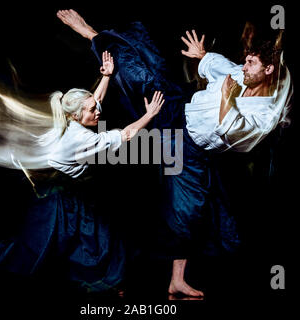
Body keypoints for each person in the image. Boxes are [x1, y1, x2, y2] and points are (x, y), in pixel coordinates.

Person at [56, 9, 292, 298]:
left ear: (268, 71)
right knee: (141, 70)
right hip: (178, 108)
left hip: (191, 147)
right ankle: (90, 33)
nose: (243, 67)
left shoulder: (265, 115)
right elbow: (223, 67)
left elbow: (232, 131)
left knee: (189, 211)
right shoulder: (243, 74)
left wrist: (228, 100)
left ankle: (176, 280)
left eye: (251, 63)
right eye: (245, 62)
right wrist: (204, 55)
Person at [0, 50, 165, 296]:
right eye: (92, 111)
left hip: (70, 194)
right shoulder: (82, 139)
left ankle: (112, 283)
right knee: (32, 245)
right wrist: (150, 114)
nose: (98, 111)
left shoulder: (70, 119)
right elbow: (127, 134)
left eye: (94, 107)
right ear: (76, 116)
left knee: (98, 237)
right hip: (53, 198)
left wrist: (107, 77)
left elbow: (94, 102)